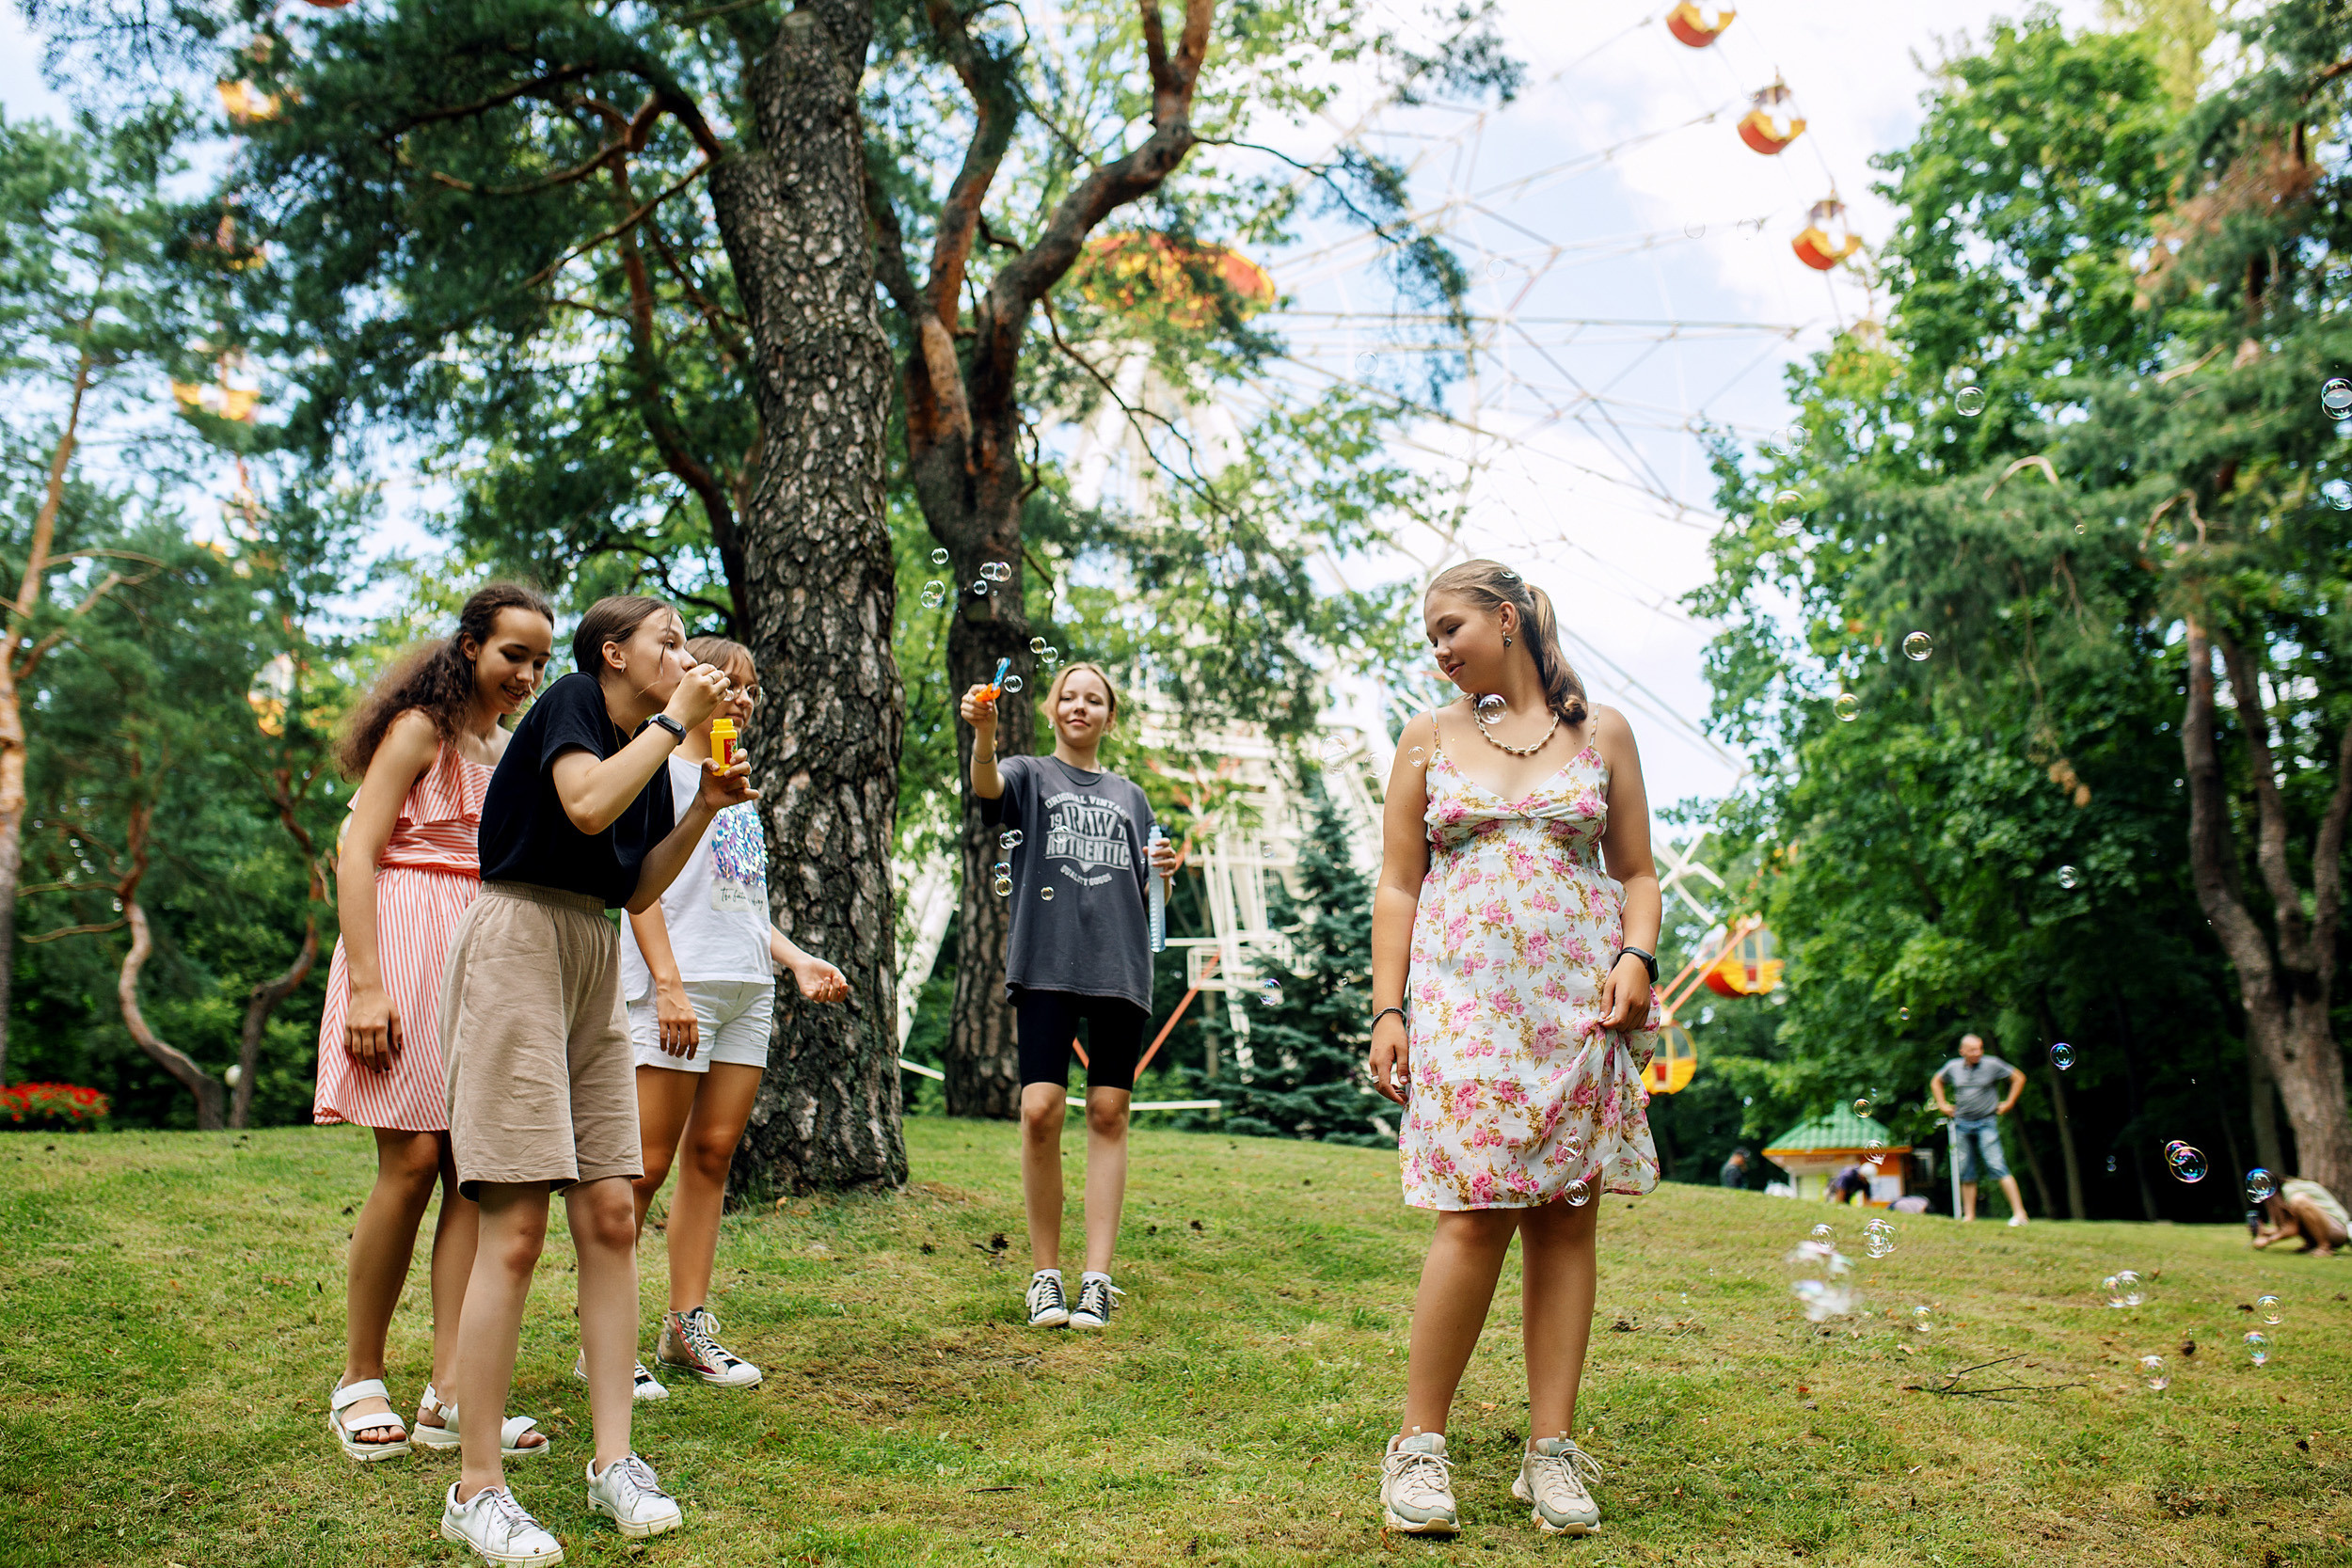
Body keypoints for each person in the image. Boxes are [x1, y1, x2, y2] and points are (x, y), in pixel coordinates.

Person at [434, 596, 754, 1563]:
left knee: (612, 1210)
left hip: (587, 945)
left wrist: (701, 804)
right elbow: (580, 804)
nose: (685, 656)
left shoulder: (647, 751)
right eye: (667, 641)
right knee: (519, 1225)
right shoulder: (575, 698)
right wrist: (673, 726)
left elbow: (635, 882)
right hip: (517, 938)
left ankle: (615, 1459)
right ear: (614, 652)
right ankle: (477, 1485)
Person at [1365, 560, 1662, 1539]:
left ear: (1506, 616)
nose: (1437, 648)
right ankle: (1417, 1445)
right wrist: (1388, 1009)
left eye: (1448, 626)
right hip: (1465, 1009)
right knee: (1472, 1215)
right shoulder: (1428, 737)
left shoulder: (1602, 732)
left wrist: (1636, 953)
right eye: (1428, 637)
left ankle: (1551, 1452)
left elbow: (1638, 871)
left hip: (1574, 1008)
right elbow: (1399, 884)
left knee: (1567, 1216)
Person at [315, 584, 556, 1463]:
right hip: (403, 950)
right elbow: (355, 849)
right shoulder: (420, 728)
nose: (527, 675)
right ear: (468, 648)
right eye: (511, 655)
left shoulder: (514, 749)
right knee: (412, 1159)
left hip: (483, 961)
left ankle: (451, 1388)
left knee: (473, 1174)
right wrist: (368, 986)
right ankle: (359, 1377)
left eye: (538, 660)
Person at [616, 636, 850, 1400]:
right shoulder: (654, 771)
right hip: (675, 989)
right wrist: (670, 984)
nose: (742, 699)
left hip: (748, 985)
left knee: (712, 1156)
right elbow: (637, 892)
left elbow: (743, 903)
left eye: (751, 688)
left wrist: (795, 958)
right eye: (728, 684)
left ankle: (686, 1326)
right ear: (690, 682)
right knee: (645, 1167)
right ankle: (609, 1341)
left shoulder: (740, 782)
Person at [960, 660, 1179, 1335]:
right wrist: (986, 734)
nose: (1081, 706)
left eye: (1095, 699)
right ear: (1052, 710)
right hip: (1046, 959)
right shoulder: (1028, 774)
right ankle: (1045, 1276)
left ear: (1109, 718)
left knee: (1109, 1111)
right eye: (1069, 696)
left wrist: (1168, 873)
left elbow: (1145, 899)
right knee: (1040, 1107)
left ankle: (1098, 1281)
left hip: (1119, 965)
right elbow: (986, 786)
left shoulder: (1132, 796)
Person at [1929, 1033, 2028, 1226]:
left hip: (1986, 1122)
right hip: (1962, 1123)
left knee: (1997, 1164)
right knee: (1966, 1170)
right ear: (1962, 1051)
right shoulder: (1953, 1067)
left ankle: (2020, 1213)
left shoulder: (1992, 1064)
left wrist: (2009, 1103)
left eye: (1980, 1048)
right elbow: (1936, 1081)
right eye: (1973, 1050)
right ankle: (1969, 1216)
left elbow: (2018, 1077)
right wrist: (1942, 1104)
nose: (1978, 1053)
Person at [2253, 1177, 2350, 1257]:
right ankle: (2312, 1245)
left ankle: (2324, 1247)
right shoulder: (2288, 1189)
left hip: (2338, 1230)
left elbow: (2292, 1228)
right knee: (2298, 1204)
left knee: (2299, 1201)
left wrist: (2268, 1240)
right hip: (2330, 1228)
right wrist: (2266, 1233)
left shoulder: (2289, 1189)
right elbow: (2290, 1225)